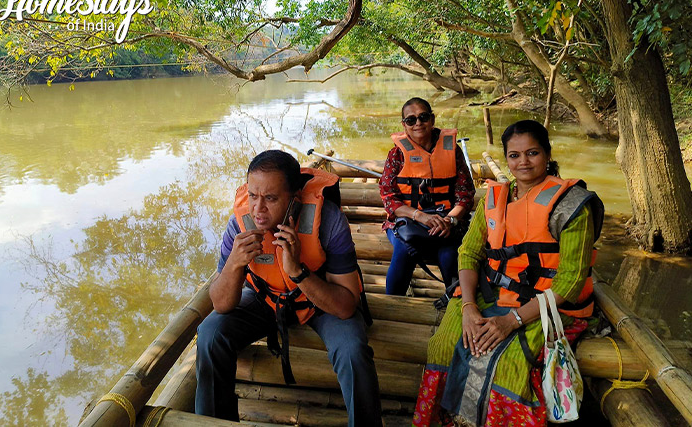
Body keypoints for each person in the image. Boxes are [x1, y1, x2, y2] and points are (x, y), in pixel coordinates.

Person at [413, 119, 604, 426]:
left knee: (511, 362)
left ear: (547, 154)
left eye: (532, 153)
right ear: (506, 159)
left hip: (546, 305)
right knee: (445, 343)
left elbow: (569, 282)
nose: (523, 162)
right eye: (514, 155)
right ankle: (450, 420)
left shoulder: (571, 206)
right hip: (490, 294)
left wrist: (510, 321)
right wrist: (468, 307)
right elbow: (469, 252)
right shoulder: (493, 196)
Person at [195, 150, 383, 426]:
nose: (258, 209)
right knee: (209, 333)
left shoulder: (328, 221)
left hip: (319, 301)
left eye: (270, 199)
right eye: (254, 195)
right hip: (265, 299)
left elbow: (345, 306)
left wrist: (298, 272)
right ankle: (213, 422)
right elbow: (222, 304)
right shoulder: (239, 224)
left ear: (293, 198)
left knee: (353, 349)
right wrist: (235, 264)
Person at [379, 97, 475, 295]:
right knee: (405, 251)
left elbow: (465, 194)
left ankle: (456, 303)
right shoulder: (396, 154)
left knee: (450, 256)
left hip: (447, 222)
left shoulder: (452, 150)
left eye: (423, 117)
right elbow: (389, 197)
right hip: (407, 223)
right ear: (404, 125)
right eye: (411, 120)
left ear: (432, 119)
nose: (418, 123)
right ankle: (393, 304)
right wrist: (420, 216)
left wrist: (451, 220)